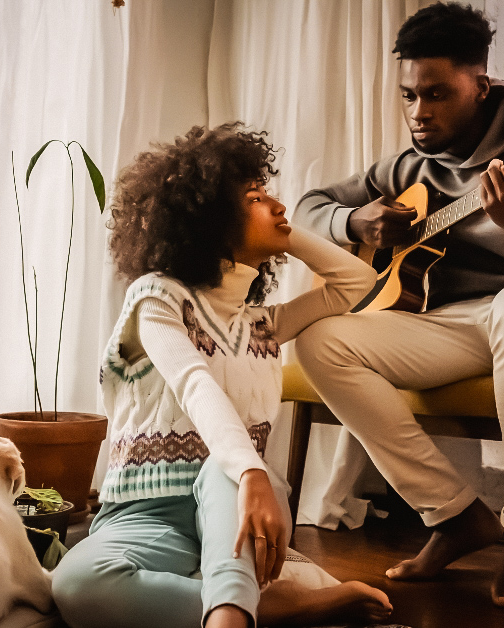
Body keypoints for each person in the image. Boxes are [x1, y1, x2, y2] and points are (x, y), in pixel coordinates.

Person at [292, 2, 504, 609]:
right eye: (409, 96)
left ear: (481, 82)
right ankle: (452, 515)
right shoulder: (406, 168)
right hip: (460, 328)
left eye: (438, 94)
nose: (419, 113)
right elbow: (307, 206)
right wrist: (354, 220)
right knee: (319, 338)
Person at [52, 123, 390, 628]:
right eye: (256, 197)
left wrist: (286, 237)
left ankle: (229, 614)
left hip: (236, 509)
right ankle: (266, 604)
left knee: (224, 469)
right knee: (75, 584)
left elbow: (356, 283)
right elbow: (193, 382)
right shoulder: (157, 296)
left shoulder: (263, 325)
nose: (279, 206)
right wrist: (253, 469)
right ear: (210, 219)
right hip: (146, 517)